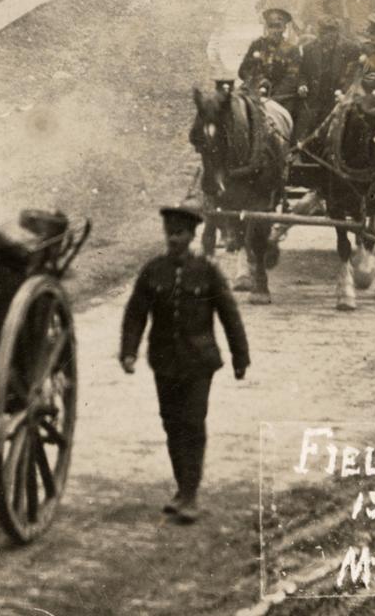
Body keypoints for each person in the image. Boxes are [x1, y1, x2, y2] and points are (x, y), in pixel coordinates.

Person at [119, 203, 249, 525]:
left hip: (199, 362)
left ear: (191, 236)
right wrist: (129, 351)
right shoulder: (153, 271)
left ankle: (190, 494)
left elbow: (229, 315)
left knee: (192, 422)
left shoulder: (207, 272)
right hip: (164, 362)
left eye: (179, 234)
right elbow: (136, 313)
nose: (174, 239)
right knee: (171, 424)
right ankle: (181, 488)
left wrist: (240, 357)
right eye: (170, 234)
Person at [297, 15, 360, 143]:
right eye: (323, 33)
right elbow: (303, 72)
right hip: (315, 99)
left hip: (340, 99)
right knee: (302, 127)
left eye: (331, 32)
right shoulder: (309, 49)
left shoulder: (351, 48)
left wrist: (344, 93)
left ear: (337, 32)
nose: (327, 36)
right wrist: (302, 85)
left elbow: (353, 75)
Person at [238, 7, 303, 121]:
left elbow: (292, 77)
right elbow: (243, 70)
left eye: (278, 26)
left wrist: (273, 97)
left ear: (284, 28)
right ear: (267, 28)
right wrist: (258, 81)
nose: (274, 31)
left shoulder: (292, 49)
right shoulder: (257, 45)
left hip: (282, 97)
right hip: (255, 92)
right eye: (271, 26)